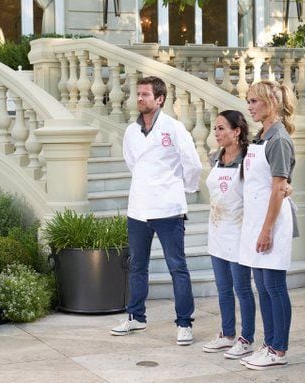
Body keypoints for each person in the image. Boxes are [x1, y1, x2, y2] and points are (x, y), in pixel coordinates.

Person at [110, 76, 202, 346]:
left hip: (168, 209)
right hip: (138, 209)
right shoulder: (130, 131)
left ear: (159, 99)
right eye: (138, 94)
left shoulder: (174, 128)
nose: (140, 98)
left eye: (145, 94)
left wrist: (181, 187)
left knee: (178, 267)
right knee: (138, 266)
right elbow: (133, 164)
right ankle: (136, 317)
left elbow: (192, 164)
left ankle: (184, 323)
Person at [238, 80, 298, 370]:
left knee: (274, 287)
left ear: (270, 102)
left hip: (271, 224)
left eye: (254, 101)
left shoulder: (278, 139)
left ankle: (279, 350)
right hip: (257, 221)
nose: (249, 106)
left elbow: (278, 188)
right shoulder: (262, 136)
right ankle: (269, 343)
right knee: (262, 286)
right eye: (248, 101)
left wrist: (266, 230)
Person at [201, 110, 256, 359]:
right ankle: (226, 334)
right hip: (217, 230)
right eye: (215, 128)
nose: (217, 133)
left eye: (222, 128)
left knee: (242, 289)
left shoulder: (249, 159)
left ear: (237, 131)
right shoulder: (215, 158)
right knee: (223, 288)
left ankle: (246, 339)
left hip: (239, 231)